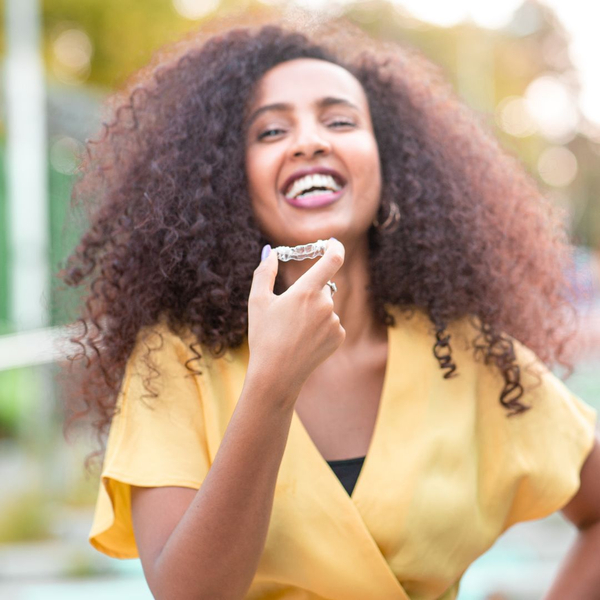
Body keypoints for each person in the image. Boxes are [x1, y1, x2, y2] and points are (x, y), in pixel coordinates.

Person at [60, 13, 600, 600]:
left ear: (389, 165)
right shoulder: (175, 358)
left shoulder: (468, 355)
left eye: (340, 120)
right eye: (269, 132)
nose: (310, 140)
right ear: (226, 181)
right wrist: (272, 383)